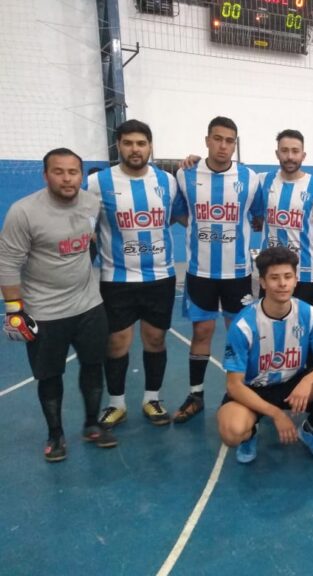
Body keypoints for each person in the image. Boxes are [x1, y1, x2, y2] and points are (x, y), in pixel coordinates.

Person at [0, 148, 117, 462]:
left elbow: (88, 241)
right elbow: (8, 263)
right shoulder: (23, 212)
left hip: (89, 305)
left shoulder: (92, 203)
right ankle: (55, 435)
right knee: (49, 376)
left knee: (94, 366)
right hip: (44, 311)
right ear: (45, 174)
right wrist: (14, 310)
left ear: (81, 175)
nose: (67, 178)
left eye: (73, 172)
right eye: (59, 171)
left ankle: (92, 425)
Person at [87, 119, 179, 428]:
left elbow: (181, 215)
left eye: (141, 143)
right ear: (119, 146)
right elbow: (86, 230)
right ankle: (116, 403)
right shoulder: (99, 182)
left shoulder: (168, 181)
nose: (135, 149)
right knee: (116, 343)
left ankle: (152, 398)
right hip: (116, 278)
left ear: (151, 146)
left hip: (160, 277)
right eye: (128, 143)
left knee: (155, 339)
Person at [217, 246, 313, 464]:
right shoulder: (244, 325)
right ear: (263, 282)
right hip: (253, 388)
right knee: (232, 432)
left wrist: (308, 380)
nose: (282, 284)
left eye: (288, 277)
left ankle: (310, 431)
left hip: (291, 384)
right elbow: (234, 386)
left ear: (296, 279)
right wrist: (276, 414)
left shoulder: (308, 314)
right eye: (274, 278)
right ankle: (251, 435)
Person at [174, 116, 261, 423]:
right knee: (202, 331)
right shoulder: (185, 176)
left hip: (238, 274)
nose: (224, 146)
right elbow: (181, 215)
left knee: (238, 334)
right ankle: (195, 394)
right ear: (207, 140)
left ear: (235, 144)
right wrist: (205, 229)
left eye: (230, 140)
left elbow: (259, 218)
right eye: (218, 139)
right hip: (200, 272)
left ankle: (237, 392)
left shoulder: (251, 179)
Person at [256, 129, 313, 313]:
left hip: (306, 275)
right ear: (277, 153)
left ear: (303, 155)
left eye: (295, 151)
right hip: (271, 274)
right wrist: (198, 161)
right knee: (269, 327)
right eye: (284, 150)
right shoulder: (262, 181)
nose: (290, 156)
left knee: (308, 332)